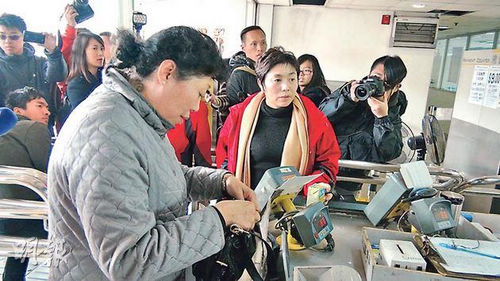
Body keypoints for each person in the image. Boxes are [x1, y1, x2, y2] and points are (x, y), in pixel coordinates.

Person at [48, 26, 260, 280]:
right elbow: (130, 261)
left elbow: (158, 176)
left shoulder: (136, 116)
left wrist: (221, 182)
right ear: (167, 72)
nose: (196, 106)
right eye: (200, 92)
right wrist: (220, 217)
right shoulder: (107, 133)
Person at [216, 47, 341, 194]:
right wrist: (229, 184)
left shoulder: (313, 118)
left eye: (292, 79)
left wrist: (316, 186)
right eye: (277, 80)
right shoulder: (240, 116)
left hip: (293, 206)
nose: (286, 87)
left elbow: (327, 161)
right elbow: (224, 158)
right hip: (246, 203)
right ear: (261, 83)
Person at [319, 55, 408, 199]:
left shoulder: (392, 111)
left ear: (396, 87)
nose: (377, 86)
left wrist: (382, 118)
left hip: (351, 181)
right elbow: (319, 117)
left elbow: (390, 152)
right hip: (322, 172)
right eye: (375, 78)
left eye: (385, 84)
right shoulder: (350, 91)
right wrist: (348, 99)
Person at [0, 86, 51, 281]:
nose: (47, 111)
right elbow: (49, 173)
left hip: (8, 220)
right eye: (39, 105)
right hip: (29, 222)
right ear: (18, 111)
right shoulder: (34, 128)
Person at [0, 13, 67, 118]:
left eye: (14, 37)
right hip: (10, 127)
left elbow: (58, 76)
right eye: (2, 36)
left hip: (42, 122)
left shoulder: (39, 62)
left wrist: (52, 51)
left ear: (24, 36)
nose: (7, 41)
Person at [225, 25, 267, 107]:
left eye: (263, 43)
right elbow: (234, 110)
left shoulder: (271, 69)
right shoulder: (239, 74)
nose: (260, 48)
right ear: (243, 47)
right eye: (254, 44)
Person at [66, 32, 104, 110]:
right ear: (82, 51)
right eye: (94, 48)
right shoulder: (76, 85)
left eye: (102, 48)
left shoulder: (106, 76)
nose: (100, 53)